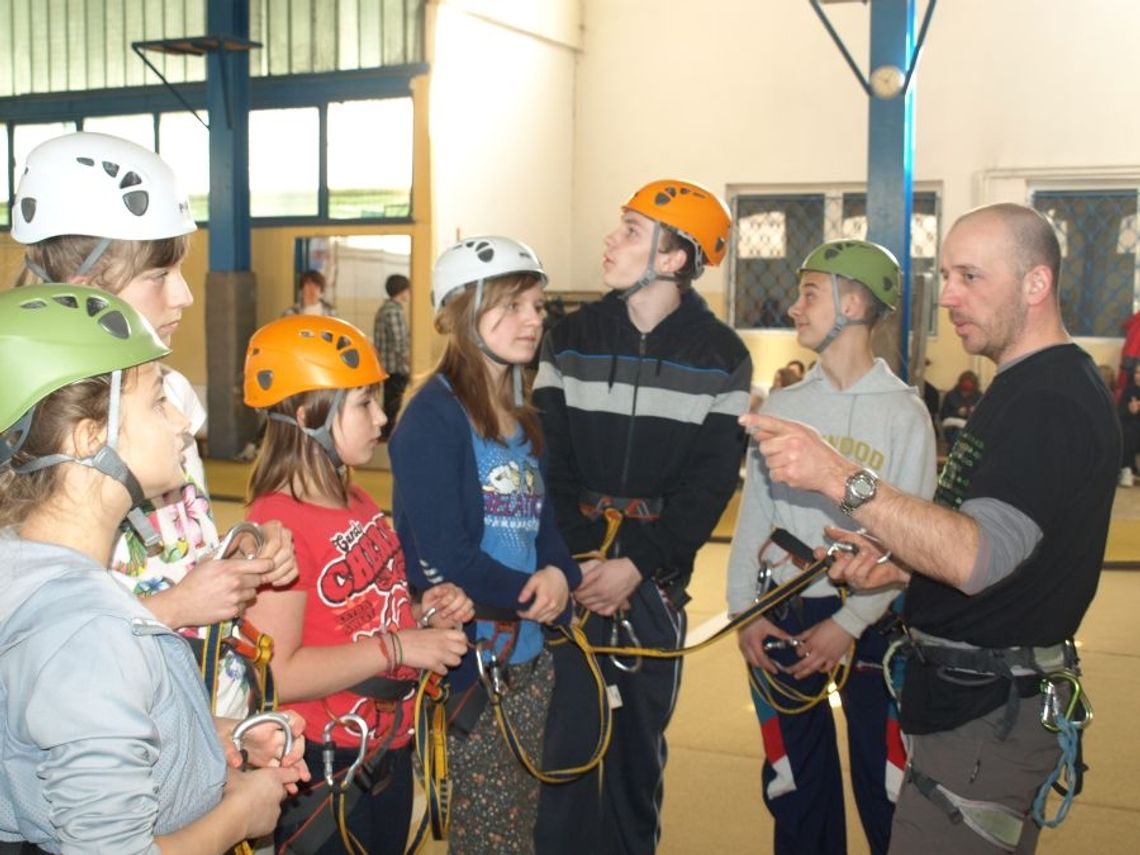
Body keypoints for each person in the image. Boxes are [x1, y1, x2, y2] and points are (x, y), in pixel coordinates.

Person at [742, 203, 1119, 854]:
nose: (948, 296)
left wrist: (839, 476)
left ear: (1036, 283)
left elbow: (977, 555)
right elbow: (999, 548)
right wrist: (897, 564)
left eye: (970, 276)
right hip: (967, 710)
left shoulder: (1047, 401)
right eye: (945, 275)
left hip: (983, 726)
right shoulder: (1024, 387)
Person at [0, 284, 305, 852]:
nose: (181, 426)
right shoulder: (89, 634)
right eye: (157, 401)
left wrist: (210, 738)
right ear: (89, 438)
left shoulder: (24, 567)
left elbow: (57, 741)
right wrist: (242, 811)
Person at [10, 130, 297, 719]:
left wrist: (237, 554)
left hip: (203, 714)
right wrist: (176, 608)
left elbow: (173, 543)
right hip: (116, 736)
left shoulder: (167, 399)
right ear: (87, 291)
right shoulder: (30, 430)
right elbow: (30, 635)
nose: (186, 296)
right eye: (160, 275)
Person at [533, 179, 752, 855]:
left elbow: (710, 486)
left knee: (635, 764)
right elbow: (549, 458)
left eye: (630, 230)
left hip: (651, 589)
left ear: (674, 257)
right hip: (568, 582)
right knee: (562, 762)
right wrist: (581, 559)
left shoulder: (721, 356)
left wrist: (635, 562)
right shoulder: (569, 338)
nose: (610, 239)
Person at [726, 240, 938, 855]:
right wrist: (746, 608)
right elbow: (757, 518)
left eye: (809, 294)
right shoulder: (788, 406)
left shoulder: (904, 415)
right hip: (786, 610)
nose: (794, 308)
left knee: (888, 784)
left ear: (851, 302)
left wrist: (848, 623)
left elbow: (910, 532)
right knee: (796, 783)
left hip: (873, 623)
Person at [240, 313, 472, 854]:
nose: (383, 417)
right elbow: (277, 675)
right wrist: (398, 646)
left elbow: (361, 610)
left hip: (383, 744)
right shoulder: (279, 525)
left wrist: (422, 615)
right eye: (365, 403)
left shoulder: (356, 499)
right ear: (308, 417)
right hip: (326, 761)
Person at [389, 236, 581, 855]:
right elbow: (443, 552)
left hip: (526, 652)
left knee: (518, 823)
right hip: (474, 658)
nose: (534, 320)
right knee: (489, 834)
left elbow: (542, 521)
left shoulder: (521, 413)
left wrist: (559, 573)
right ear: (464, 312)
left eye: (538, 306)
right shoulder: (432, 417)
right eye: (515, 305)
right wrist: (534, 594)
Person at [374, 272, 412, 438]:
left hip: (387, 366)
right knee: (395, 407)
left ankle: (388, 436)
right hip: (396, 367)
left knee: (390, 405)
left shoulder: (385, 309)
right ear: (401, 290)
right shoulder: (394, 311)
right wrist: (411, 363)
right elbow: (400, 344)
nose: (409, 293)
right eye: (407, 289)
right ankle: (392, 438)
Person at [938, 369, 983, 448]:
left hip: (973, 426)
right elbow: (943, 415)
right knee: (958, 434)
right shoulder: (951, 395)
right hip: (953, 426)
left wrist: (975, 412)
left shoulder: (979, 396)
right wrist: (957, 413)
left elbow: (985, 415)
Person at [1117, 363, 1140, 486]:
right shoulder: (1129, 390)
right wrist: (1130, 410)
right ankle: (1127, 469)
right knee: (1127, 428)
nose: (1138, 376)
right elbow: (1119, 412)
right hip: (1130, 428)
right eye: (1137, 372)